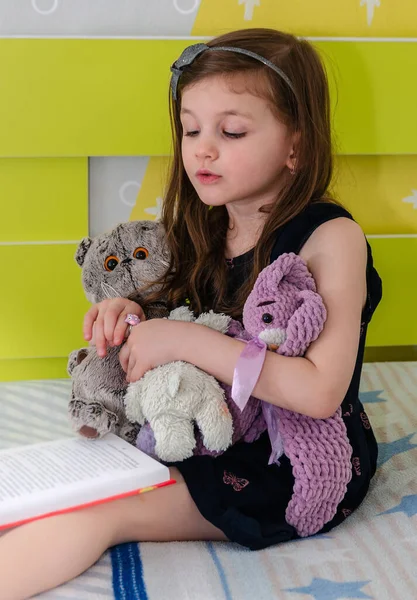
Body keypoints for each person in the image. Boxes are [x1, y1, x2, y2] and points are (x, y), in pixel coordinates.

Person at [0, 28, 382, 599]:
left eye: (231, 131)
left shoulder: (332, 238)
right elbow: (181, 313)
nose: (203, 148)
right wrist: (131, 313)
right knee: (46, 492)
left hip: (289, 461)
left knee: (98, 512)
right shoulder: (208, 223)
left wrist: (179, 340)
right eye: (190, 128)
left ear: (295, 146)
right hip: (206, 427)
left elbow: (320, 392)